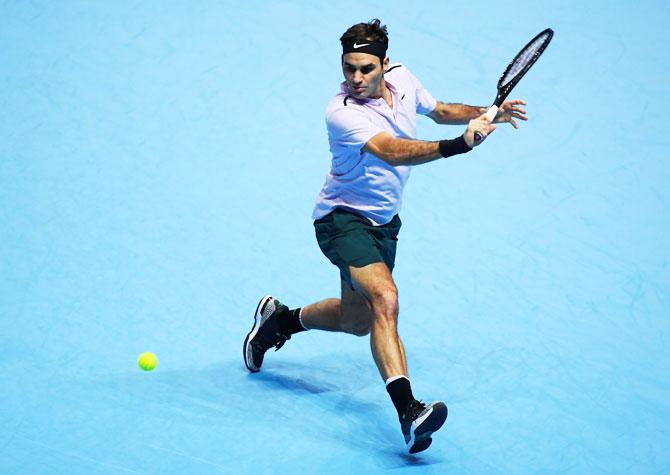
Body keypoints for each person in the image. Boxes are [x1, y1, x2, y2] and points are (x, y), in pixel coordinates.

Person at [243, 19, 527, 454]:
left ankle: (278, 322)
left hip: (384, 224)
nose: (356, 78)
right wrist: (459, 145)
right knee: (386, 299)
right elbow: (393, 151)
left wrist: (485, 112)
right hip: (341, 220)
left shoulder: (403, 79)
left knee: (357, 322)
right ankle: (409, 412)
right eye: (349, 68)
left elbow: (440, 109)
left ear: (385, 64)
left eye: (366, 69)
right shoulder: (341, 113)